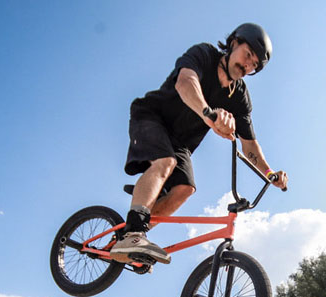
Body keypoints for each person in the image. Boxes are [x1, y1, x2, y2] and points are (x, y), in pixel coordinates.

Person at [110, 23, 289, 264]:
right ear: (234, 43)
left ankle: (133, 239)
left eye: (253, 65)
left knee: (185, 188)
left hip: (180, 142)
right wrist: (209, 114)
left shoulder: (239, 98)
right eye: (247, 56)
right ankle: (133, 234)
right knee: (166, 162)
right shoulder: (204, 55)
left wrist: (269, 174)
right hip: (152, 117)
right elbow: (185, 83)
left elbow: (249, 146)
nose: (247, 66)